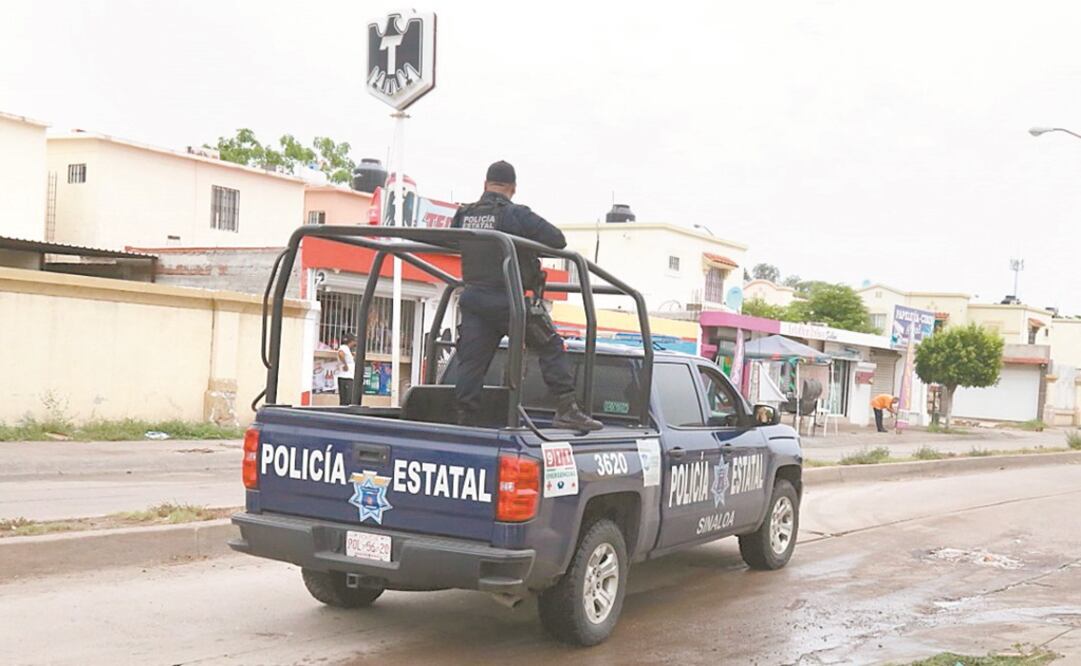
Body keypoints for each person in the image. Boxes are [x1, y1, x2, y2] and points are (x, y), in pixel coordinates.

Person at [451, 160, 601, 431]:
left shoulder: (464, 214)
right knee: (550, 345)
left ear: (485, 185)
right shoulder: (516, 214)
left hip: (474, 300)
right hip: (509, 302)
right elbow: (557, 239)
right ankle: (566, 408)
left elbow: (451, 240)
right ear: (513, 188)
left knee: (471, 363)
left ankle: (465, 418)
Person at [337, 332, 357, 406]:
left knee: (347, 399)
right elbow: (340, 354)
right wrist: (345, 365)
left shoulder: (347, 349)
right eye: (354, 341)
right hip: (346, 377)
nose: (355, 343)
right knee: (347, 399)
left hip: (348, 377)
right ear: (351, 341)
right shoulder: (344, 347)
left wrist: (352, 356)